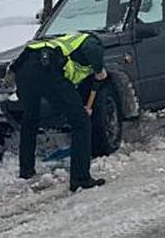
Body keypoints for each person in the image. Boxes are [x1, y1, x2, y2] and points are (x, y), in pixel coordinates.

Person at [10, 31, 108, 192]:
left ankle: (26, 170)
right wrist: (99, 69)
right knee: (81, 123)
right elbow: (92, 49)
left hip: (24, 70)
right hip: (48, 70)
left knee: (30, 120)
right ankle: (80, 179)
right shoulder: (91, 40)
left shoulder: (61, 42)